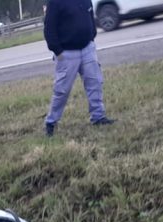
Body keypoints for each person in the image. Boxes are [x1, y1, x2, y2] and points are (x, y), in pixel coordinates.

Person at [43, 0, 114, 136]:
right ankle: (51, 122)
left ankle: (98, 117)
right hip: (67, 53)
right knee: (62, 90)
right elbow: (49, 29)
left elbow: (90, 16)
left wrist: (92, 37)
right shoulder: (55, 2)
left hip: (88, 49)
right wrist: (58, 51)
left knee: (95, 83)